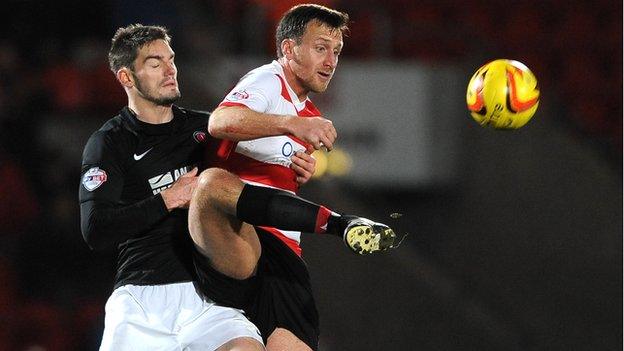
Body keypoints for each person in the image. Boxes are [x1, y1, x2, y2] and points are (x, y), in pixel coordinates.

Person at [188, 4, 397, 351]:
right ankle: (339, 224)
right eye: (320, 48)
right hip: (239, 238)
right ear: (288, 48)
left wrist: (298, 171)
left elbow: (271, 166)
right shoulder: (268, 81)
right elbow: (220, 122)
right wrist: (292, 124)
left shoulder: (309, 113)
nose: (330, 62)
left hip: (285, 255)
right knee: (211, 184)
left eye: (336, 51)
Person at [79, 24, 291, 351]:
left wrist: (293, 162)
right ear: (126, 78)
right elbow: (95, 230)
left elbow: (261, 176)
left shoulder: (205, 129)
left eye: (171, 59)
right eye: (155, 63)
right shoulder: (109, 142)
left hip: (208, 297)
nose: (170, 70)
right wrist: (167, 199)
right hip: (140, 299)